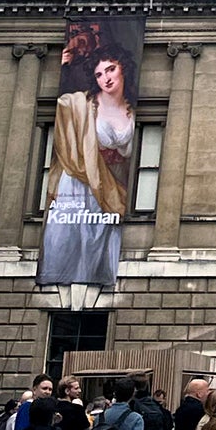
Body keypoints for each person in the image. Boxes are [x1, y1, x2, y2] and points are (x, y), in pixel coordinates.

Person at [37, 39, 135, 291]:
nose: (106, 78)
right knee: (69, 246)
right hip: (81, 185)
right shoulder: (83, 103)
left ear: (123, 67)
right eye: (99, 74)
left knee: (102, 249)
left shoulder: (134, 108)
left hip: (116, 191)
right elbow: (62, 106)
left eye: (111, 69)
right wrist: (64, 68)